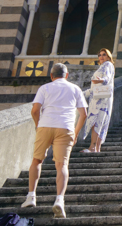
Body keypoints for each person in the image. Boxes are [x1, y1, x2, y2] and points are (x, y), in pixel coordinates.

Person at [22, 63, 88, 218]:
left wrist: (38, 125)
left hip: (45, 126)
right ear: (67, 75)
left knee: (37, 161)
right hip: (65, 128)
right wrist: (76, 132)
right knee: (62, 165)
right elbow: (83, 114)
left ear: (51, 76)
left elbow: (35, 110)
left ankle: (31, 196)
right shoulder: (75, 89)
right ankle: (59, 200)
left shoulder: (44, 88)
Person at [82, 48, 115, 153]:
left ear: (108, 56)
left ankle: (92, 147)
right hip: (101, 97)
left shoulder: (108, 65)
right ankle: (96, 148)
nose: (101, 57)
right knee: (101, 121)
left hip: (101, 99)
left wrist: (101, 80)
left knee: (97, 121)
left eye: (104, 54)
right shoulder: (104, 66)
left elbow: (107, 78)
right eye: (99, 55)